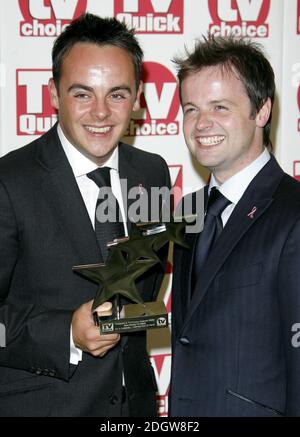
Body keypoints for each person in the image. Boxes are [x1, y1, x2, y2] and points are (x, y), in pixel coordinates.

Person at [0, 13, 171, 417]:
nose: (100, 113)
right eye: (82, 94)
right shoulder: (9, 182)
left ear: (138, 96)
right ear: (54, 94)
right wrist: (66, 334)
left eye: (116, 94)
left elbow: (146, 291)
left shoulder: (153, 172)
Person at [169, 35, 300, 417]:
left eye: (220, 107)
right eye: (191, 109)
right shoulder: (189, 211)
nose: (201, 123)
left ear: (262, 111)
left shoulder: (293, 213)